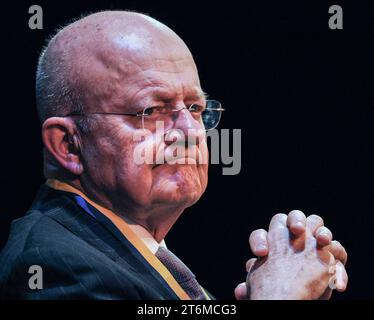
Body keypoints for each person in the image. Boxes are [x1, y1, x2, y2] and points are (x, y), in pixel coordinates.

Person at [0, 10, 347, 299]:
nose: (190, 132)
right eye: (151, 111)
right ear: (68, 145)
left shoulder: (131, 246)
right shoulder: (53, 267)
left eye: (195, 108)